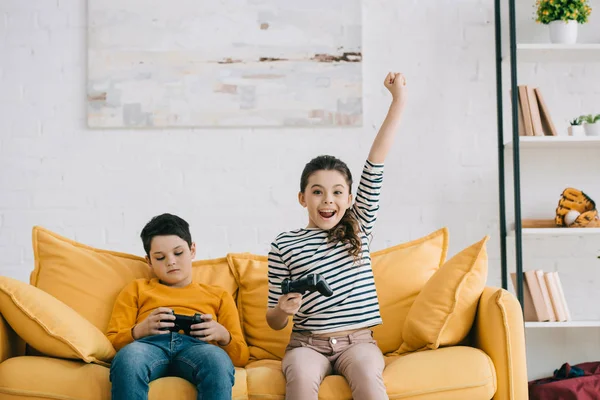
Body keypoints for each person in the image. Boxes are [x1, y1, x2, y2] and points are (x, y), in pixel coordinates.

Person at [266, 72, 407, 400]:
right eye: (317, 192)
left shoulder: (359, 225)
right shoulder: (284, 244)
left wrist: (398, 101)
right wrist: (283, 311)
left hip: (358, 343)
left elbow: (376, 162)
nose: (328, 200)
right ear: (303, 198)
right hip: (306, 344)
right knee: (299, 380)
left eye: (337, 192)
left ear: (349, 198)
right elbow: (273, 320)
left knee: (370, 384)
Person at [107, 213, 249, 400]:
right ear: (148, 261)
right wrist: (139, 331)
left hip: (200, 348)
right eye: (160, 257)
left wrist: (223, 335)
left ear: (192, 250)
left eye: (178, 253)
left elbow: (241, 356)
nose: (171, 261)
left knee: (217, 361)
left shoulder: (218, 295)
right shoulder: (136, 289)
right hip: (148, 346)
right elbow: (112, 342)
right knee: (129, 359)